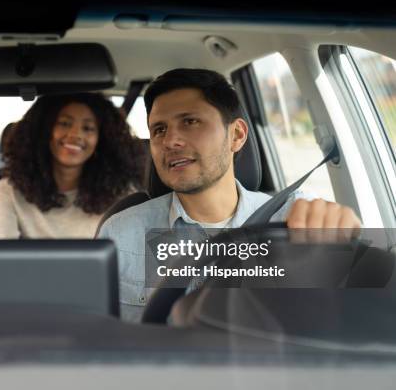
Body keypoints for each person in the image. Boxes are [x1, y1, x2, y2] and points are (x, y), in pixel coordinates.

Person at [97, 68, 361, 322]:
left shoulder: (292, 222)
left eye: (190, 122)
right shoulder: (121, 232)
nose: (170, 141)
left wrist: (342, 245)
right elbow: (96, 334)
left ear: (236, 135)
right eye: (159, 130)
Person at [0, 92, 142, 238]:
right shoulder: (8, 192)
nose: (75, 135)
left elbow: (135, 258)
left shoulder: (122, 196)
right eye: (64, 123)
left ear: (101, 141)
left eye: (88, 128)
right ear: (43, 131)